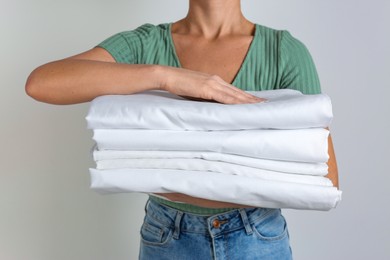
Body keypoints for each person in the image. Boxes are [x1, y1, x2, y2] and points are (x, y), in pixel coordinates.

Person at [25, 0, 339, 259]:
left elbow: (325, 178)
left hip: (255, 239)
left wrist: (173, 178)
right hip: (167, 237)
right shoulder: (145, 44)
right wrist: (165, 77)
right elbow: (42, 83)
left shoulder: (284, 52)